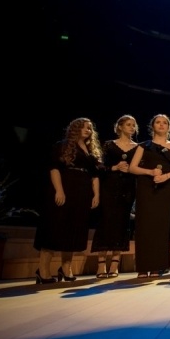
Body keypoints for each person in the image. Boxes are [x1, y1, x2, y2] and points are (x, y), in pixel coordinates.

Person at [33, 117, 102, 283]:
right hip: (65, 187)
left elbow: (95, 175)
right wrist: (59, 190)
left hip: (82, 193)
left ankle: (65, 268)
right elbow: (55, 168)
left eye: (90, 128)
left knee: (74, 230)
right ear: (75, 128)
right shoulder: (62, 145)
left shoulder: (91, 150)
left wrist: (96, 195)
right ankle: (43, 270)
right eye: (85, 127)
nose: (88, 130)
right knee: (54, 227)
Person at [129, 114, 170, 278]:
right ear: (152, 126)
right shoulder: (144, 145)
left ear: (169, 127)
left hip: (166, 188)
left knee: (162, 226)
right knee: (145, 226)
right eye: (158, 122)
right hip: (147, 188)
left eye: (165, 123)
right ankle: (143, 267)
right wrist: (150, 172)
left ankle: (157, 266)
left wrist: (165, 177)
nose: (161, 125)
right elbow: (132, 168)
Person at [91, 114, 138, 279]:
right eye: (128, 125)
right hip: (109, 187)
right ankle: (101, 264)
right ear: (119, 127)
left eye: (133, 125)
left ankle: (115, 264)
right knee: (105, 223)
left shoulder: (137, 148)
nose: (131, 127)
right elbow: (99, 167)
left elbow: (138, 168)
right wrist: (115, 168)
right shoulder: (109, 145)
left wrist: (130, 169)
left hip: (127, 188)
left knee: (121, 224)